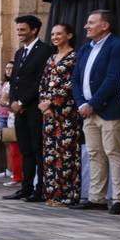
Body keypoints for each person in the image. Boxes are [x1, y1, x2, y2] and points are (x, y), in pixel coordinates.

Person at [71, 9, 120, 211]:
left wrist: (92, 104)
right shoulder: (85, 48)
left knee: (115, 153)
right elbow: (75, 79)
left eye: (91, 22)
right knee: (95, 154)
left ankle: (119, 200)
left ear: (105, 25)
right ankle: (97, 198)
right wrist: (81, 103)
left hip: (109, 109)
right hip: (87, 110)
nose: (86, 26)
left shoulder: (118, 45)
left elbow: (113, 79)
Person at [4, 14, 50, 203]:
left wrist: (21, 102)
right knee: (25, 149)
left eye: (22, 30)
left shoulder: (45, 50)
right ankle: (26, 187)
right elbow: (15, 80)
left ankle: (40, 190)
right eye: (18, 30)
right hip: (19, 110)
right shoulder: (19, 52)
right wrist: (13, 102)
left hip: (34, 108)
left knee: (37, 148)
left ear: (34, 30)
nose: (19, 33)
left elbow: (40, 80)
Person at [40, 23, 82, 207]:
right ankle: (51, 194)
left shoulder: (75, 56)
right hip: (48, 114)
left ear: (69, 35)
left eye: (59, 34)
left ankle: (67, 196)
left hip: (66, 112)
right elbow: (43, 83)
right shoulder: (50, 58)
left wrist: (53, 101)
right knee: (50, 152)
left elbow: (72, 82)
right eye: (53, 34)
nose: (55, 37)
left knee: (66, 154)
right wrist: (44, 104)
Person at [0, 61, 23, 186]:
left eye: (11, 68)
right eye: (6, 68)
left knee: (26, 149)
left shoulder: (24, 81)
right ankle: (17, 176)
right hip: (12, 118)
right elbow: (2, 101)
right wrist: (12, 105)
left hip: (26, 116)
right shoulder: (8, 84)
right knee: (14, 148)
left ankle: (24, 176)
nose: (8, 70)